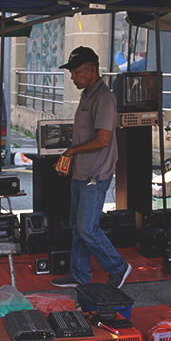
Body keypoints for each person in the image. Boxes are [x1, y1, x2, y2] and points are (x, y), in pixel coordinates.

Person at [51, 46, 131, 289]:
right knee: (78, 227)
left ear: (92, 70)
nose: (73, 77)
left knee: (87, 228)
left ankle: (118, 266)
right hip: (81, 172)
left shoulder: (104, 97)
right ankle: (79, 274)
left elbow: (103, 140)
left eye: (76, 72)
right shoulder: (87, 94)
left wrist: (72, 151)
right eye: (72, 73)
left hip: (95, 174)